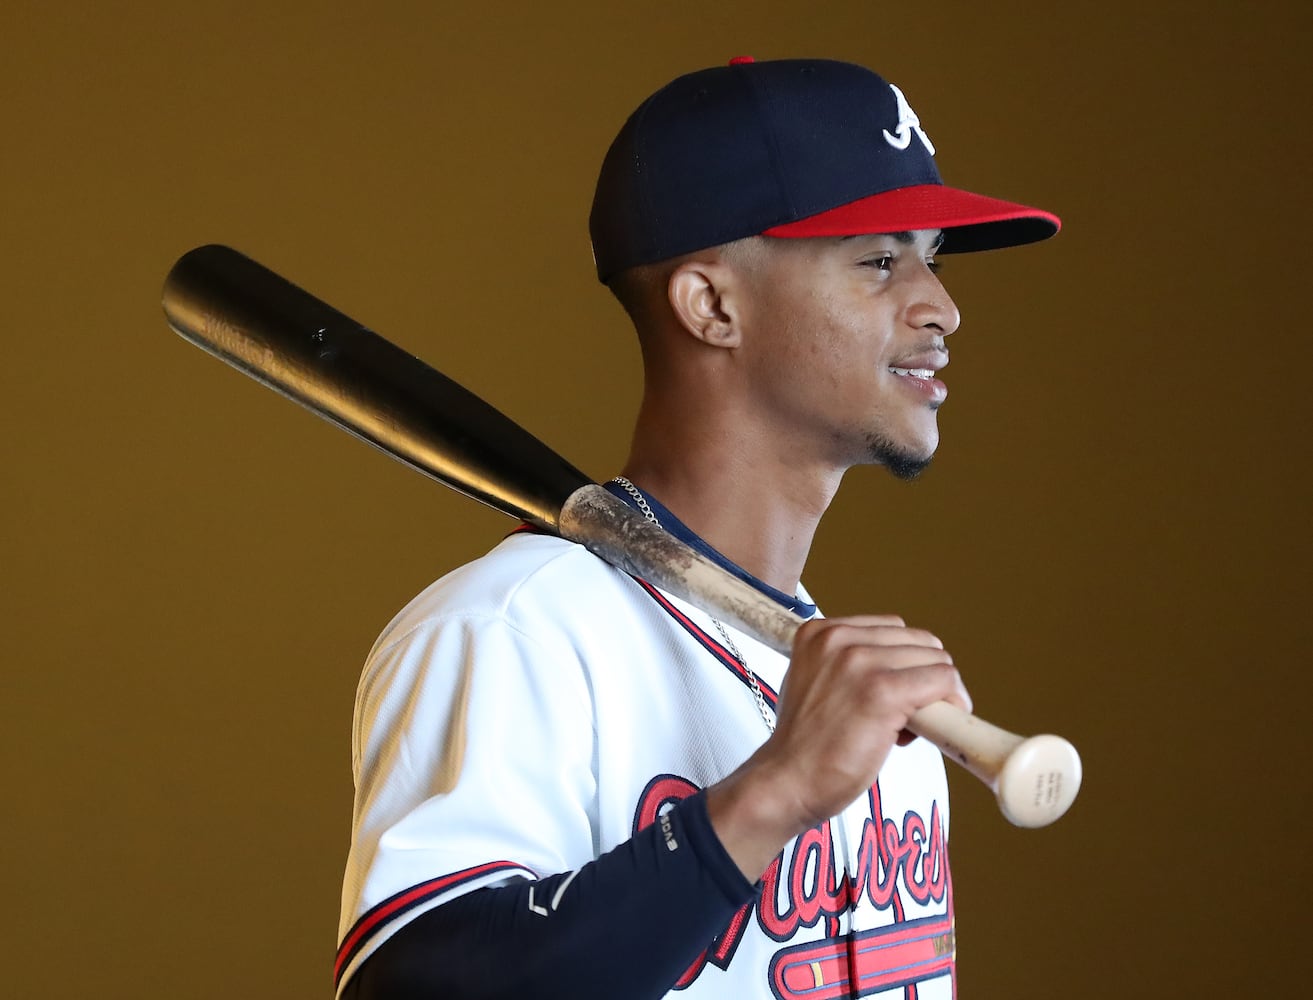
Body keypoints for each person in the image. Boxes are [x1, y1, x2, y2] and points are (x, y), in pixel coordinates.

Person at [335, 56, 1059, 1000]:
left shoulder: (870, 700)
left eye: (932, 257)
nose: (940, 307)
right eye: (880, 261)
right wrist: (770, 795)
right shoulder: (515, 632)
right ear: (711, 304)